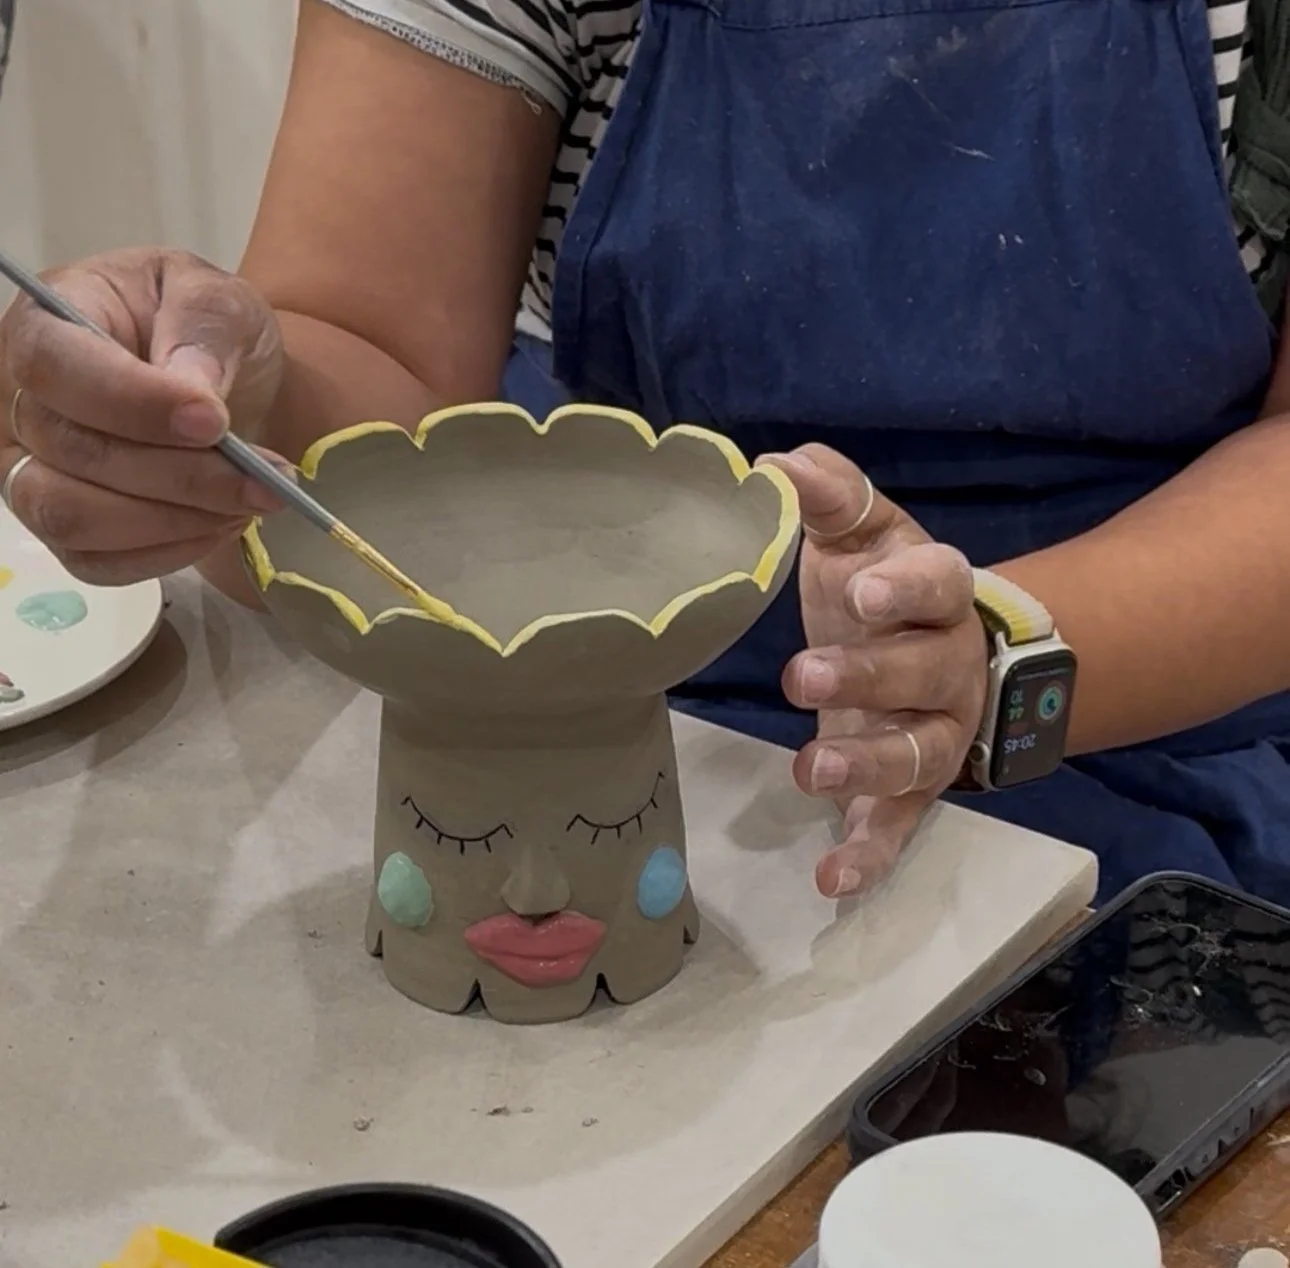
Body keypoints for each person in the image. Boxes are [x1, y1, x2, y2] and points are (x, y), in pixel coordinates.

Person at [2, 0, 1289, 906]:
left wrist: (989, 657)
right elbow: (372, 364)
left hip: (1141, 683)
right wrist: (222, 421)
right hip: (604, 650)